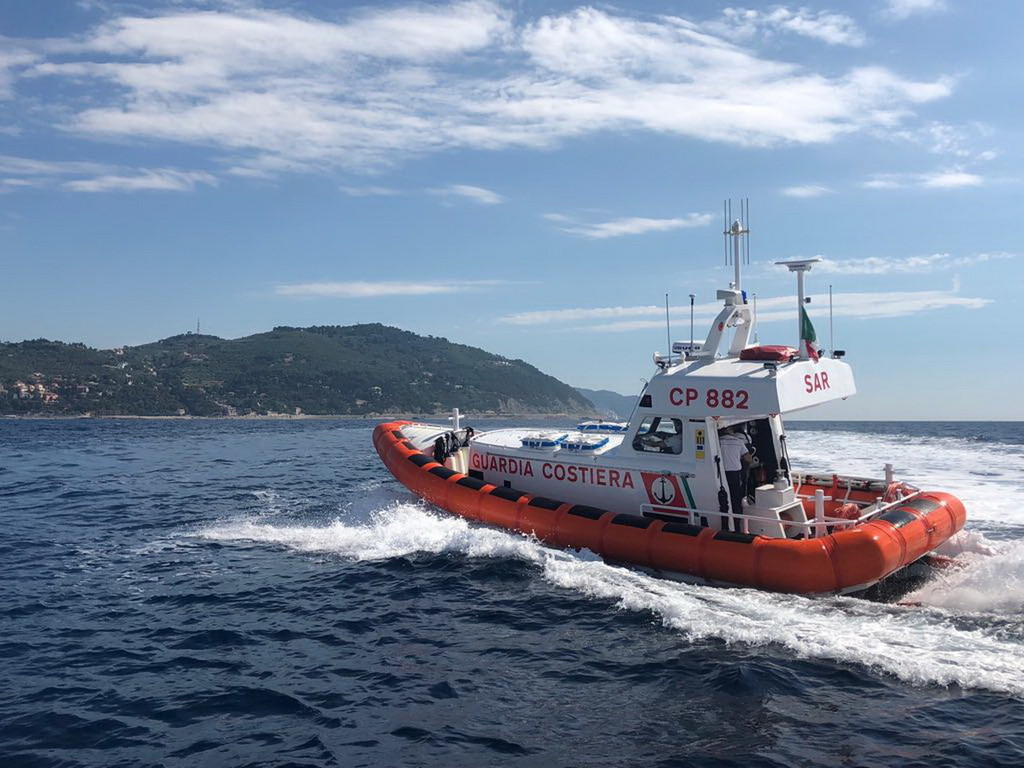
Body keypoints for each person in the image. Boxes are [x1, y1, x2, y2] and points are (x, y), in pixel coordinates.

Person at [719, 424, 752, 532]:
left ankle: (725, 524)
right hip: (735, 474)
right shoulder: (738, 441)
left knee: (722, 499)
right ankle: (737, 525)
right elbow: (748, 458)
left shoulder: (718, 442)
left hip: (721, 474)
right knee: (736, 499)